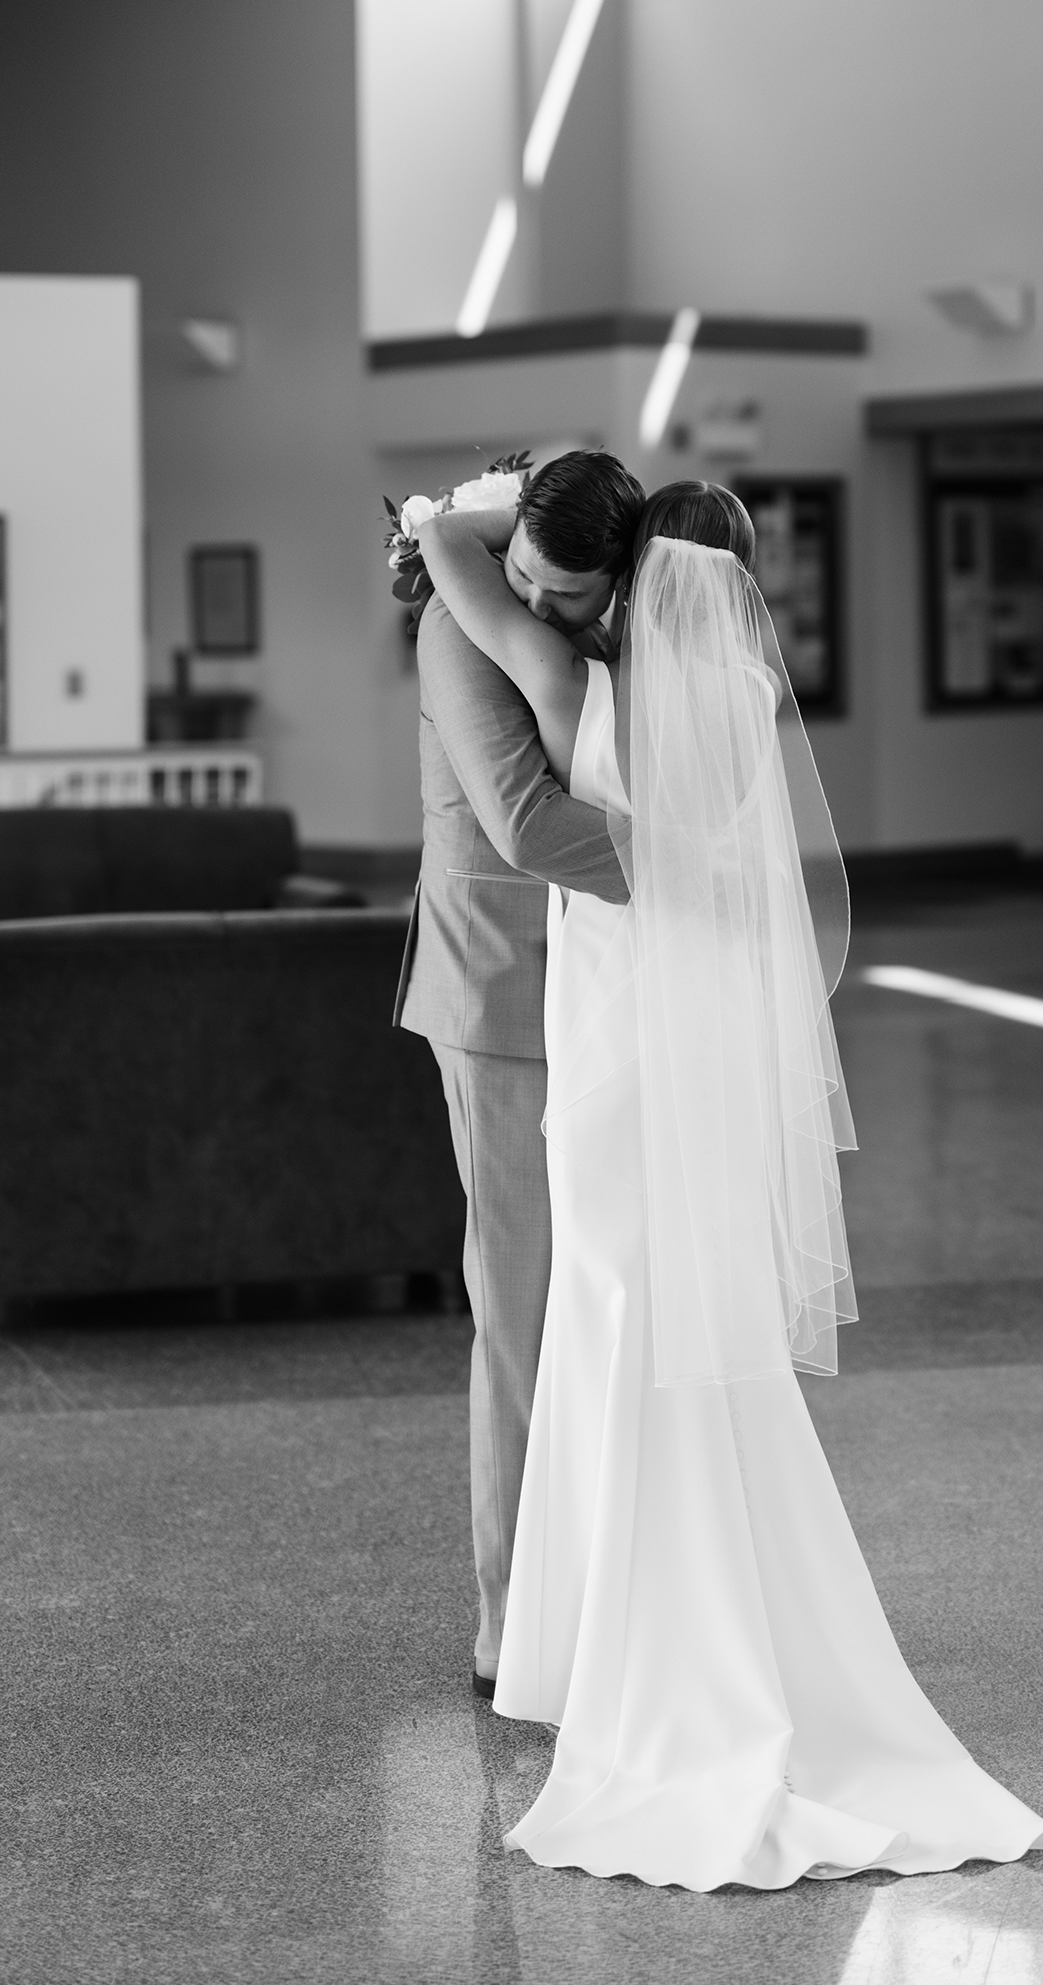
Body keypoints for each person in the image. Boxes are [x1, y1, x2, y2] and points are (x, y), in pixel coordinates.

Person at [416, 476, 1043, 1891]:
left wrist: (434, 517)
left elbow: (470, 596)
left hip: (603, 1072)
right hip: (680, 1066)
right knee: (667, 1333)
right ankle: (684, 1623)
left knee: (593, 1317)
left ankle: (609, 1640)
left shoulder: (575, 693)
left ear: (635, 589)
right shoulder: (732, 726)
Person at [393, 448, 645, 1703]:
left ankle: (614, 1586)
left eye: (567, 600)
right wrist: (713, 870)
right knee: (521, 1309)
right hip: (499, 993)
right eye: (528, 584)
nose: (538, 614)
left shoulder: (618, 606)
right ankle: (509, 1619)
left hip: (608, 991)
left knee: (610, 1299)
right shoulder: (458, 618)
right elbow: (528, 824)